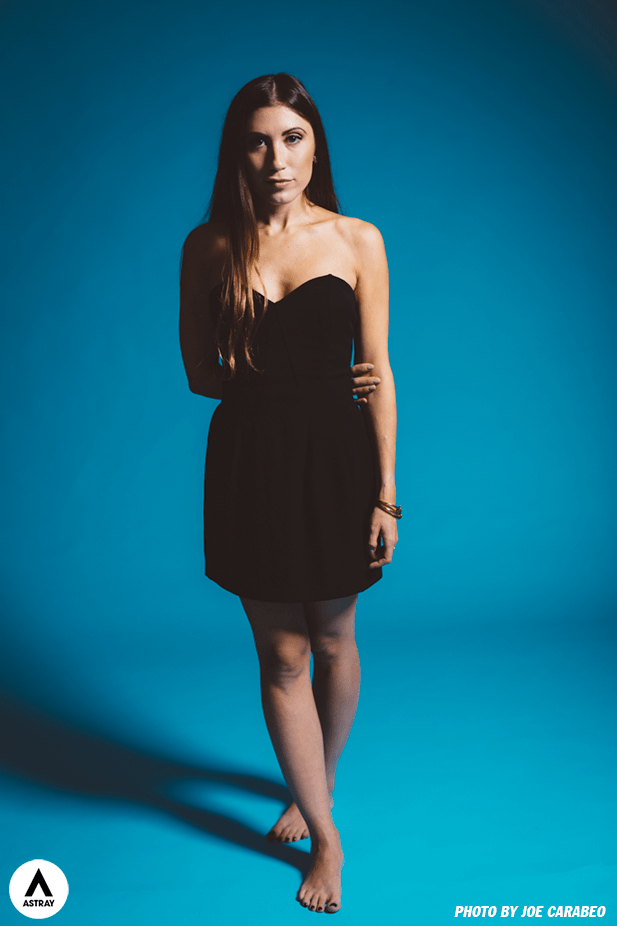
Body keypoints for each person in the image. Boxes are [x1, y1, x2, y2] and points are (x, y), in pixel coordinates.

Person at [179, 73, 399, 914]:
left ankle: (319, 786)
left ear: (315, 147)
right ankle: (326, 837)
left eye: (293, 139)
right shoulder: (208, 247)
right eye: (258, 141)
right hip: (249, 461)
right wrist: (263, 380)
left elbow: (377, 375)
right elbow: (199, 373)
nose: (277, 159)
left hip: (336, 462)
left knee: (334, 639)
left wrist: (385, 494)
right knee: (281, 654)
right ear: (237, 153)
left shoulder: (356, 239)